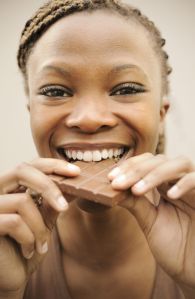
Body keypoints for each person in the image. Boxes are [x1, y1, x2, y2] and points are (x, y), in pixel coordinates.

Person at [0, 0, 195, 298]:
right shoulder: (6, 243)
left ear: (160, 113)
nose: (89, 119)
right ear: (31, 113)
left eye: (126, 89)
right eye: (56, 91)